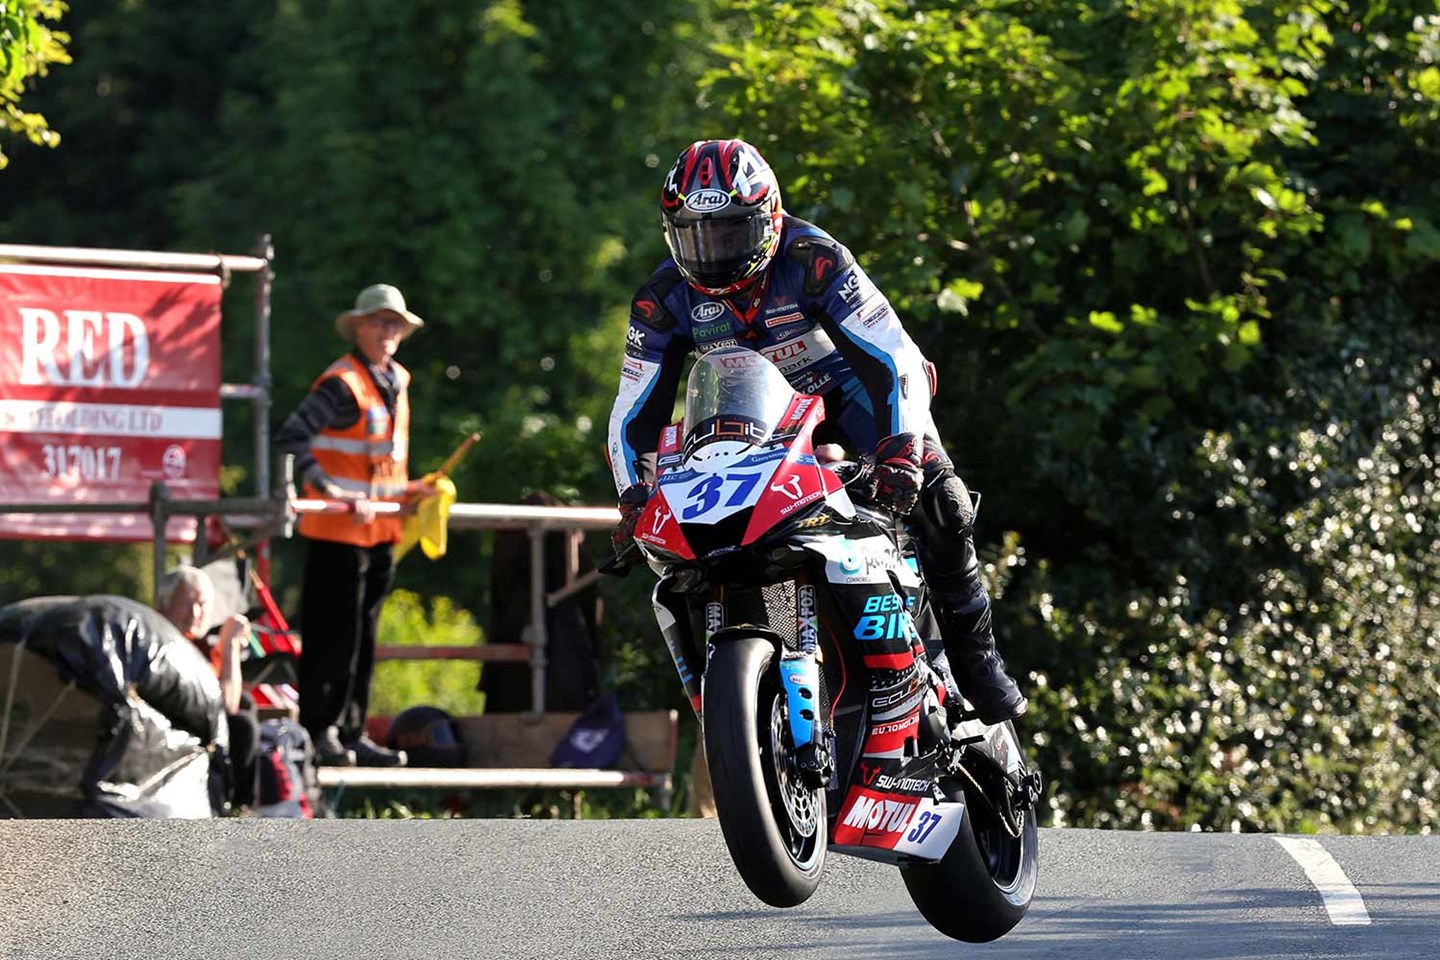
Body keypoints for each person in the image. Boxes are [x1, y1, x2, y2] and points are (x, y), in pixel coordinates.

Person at [606, 139, 1026, 724]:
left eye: (729, 233)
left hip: (854, 401)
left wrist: (900, 450)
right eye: (696, 236)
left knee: (943, 501)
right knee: (706, 538)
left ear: (769, 219)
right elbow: (633, 412)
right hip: (748, 422)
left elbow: (895, 356)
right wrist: (632, 496)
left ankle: (977, 664)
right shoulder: (662, 300)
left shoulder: (814, 259)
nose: (714, 254)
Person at [275, 284, 433, 767]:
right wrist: (334, 491)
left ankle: (350, 731)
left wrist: (411, 492)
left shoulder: (396, 380)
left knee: (363, 641)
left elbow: (383, 465)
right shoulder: (342, 383)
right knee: (331, 637)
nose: (388, 332)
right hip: (337, 534)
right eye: (380, 323)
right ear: (359, 328)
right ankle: (319, 731)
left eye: (395, 325)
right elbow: (292, 437)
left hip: (380, 532)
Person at [158, 564, 259, 810]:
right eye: (186, 603)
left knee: (246, 704)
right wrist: (229, 647)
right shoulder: (162, 642)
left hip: (200, 727)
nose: (195, 612)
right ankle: (237, 805)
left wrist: (229, 648)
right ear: (164, 604)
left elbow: (231, 703)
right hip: (169, 728)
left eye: (201, 604)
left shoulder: (199, 645)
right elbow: (224, 706)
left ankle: (239, 803)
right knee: (241, 725)